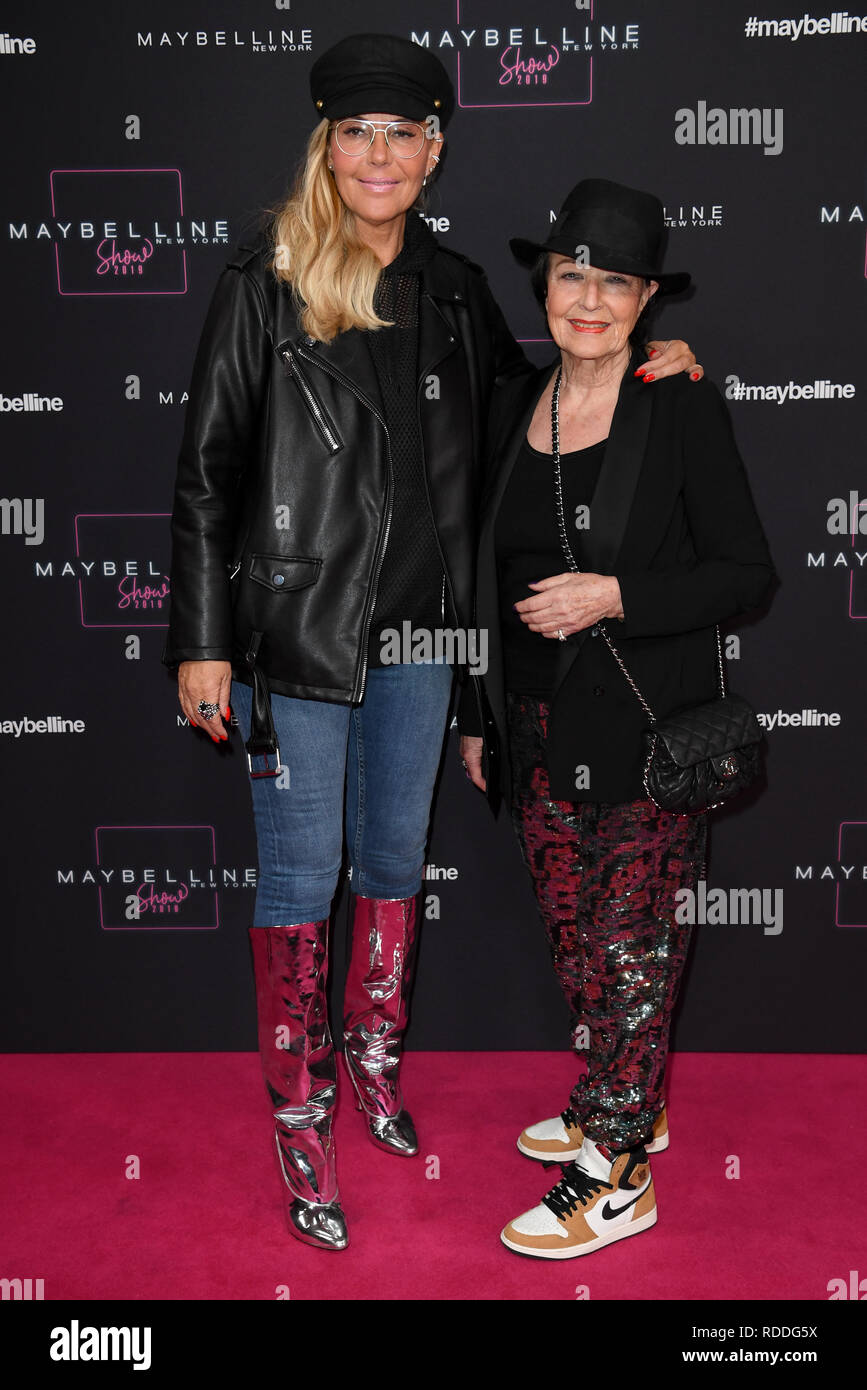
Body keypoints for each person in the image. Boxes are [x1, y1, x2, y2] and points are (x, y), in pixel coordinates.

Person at [163, 33, 701, 1254]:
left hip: (423, 636)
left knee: (395, 863)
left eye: (401, 134)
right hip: (296, 632)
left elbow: (534, 410)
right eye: (356, 132)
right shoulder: (265, 277)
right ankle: (300, 1113)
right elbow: (206, 472)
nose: (379, 155)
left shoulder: (456, 288)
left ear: (434, 150)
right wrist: (201, 639)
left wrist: (645, 356)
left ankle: (371, 1068)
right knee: (302, 884)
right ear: (326, 146)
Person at [459, 178, 775, 1260]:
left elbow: (747, 570)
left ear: (648, 299)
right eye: (570, 277)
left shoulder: (677, 401)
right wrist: (479, 714)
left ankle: (618, 1171)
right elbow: (480, 574)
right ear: (544, 284)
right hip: (540, 732)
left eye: (615, 283)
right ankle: (620, 1096)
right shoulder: (515, 404)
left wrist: (618, 595)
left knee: (634, 944)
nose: (588, 301)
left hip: (648, 730)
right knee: (578, 944)